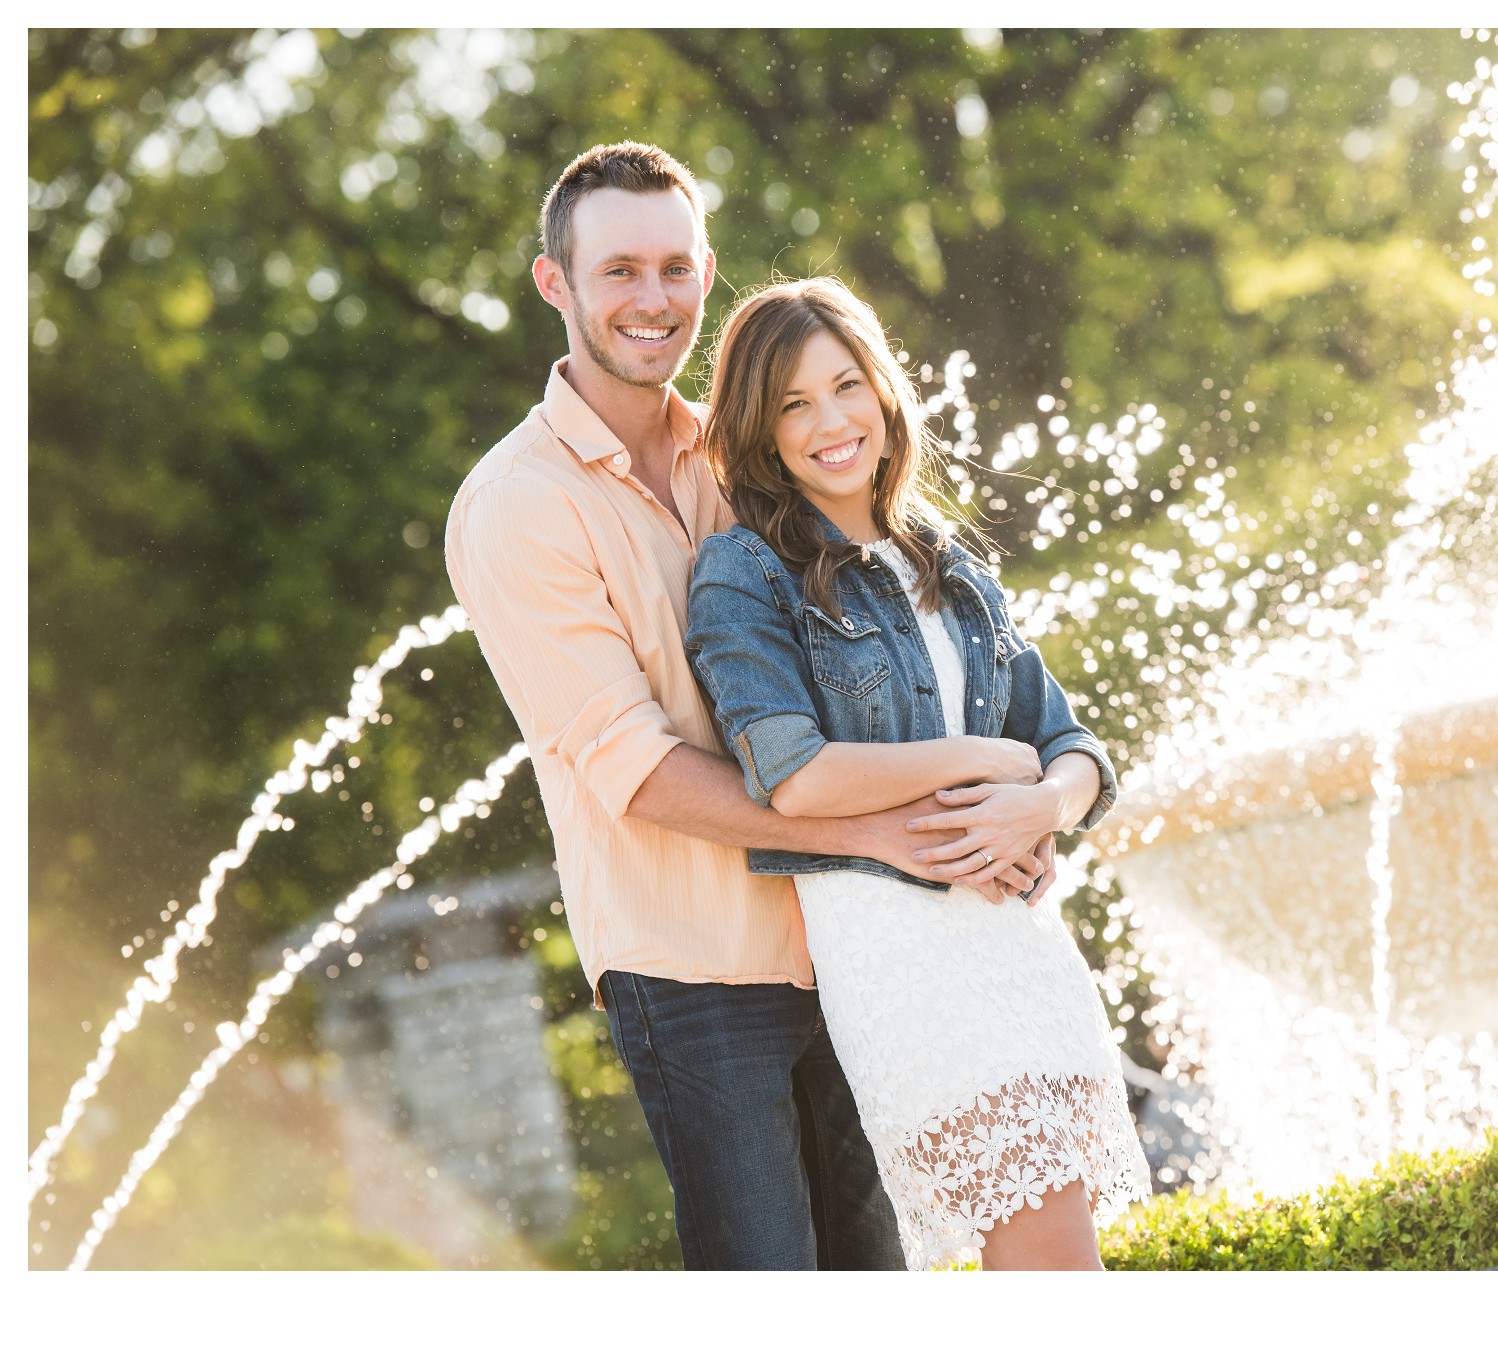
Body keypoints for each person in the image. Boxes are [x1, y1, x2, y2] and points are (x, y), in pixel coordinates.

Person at [444, 142, 1051, 1271]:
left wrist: (999, 815)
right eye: (618, 269)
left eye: (675, 269)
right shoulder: (515, 507)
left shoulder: (741, 451)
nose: (652, 299)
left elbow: (890, 654)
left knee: (881, 1280)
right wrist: (886, 833)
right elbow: (635, 767)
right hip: (693, 968)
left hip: (853, 944)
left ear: (707, 273)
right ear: (555, 283)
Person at [684, 276, 1152, 1270]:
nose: (829, 422)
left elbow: (1077, 750)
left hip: (1018, 946)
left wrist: (1038, 803)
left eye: (846, 386)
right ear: (761, 434)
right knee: (1055, 1272)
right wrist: (986, 759)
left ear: (885, 392)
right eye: (792, 405)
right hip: (906, 960)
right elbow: (794, 775)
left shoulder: (946, 561)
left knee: (1061, 1263)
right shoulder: (746, 573)